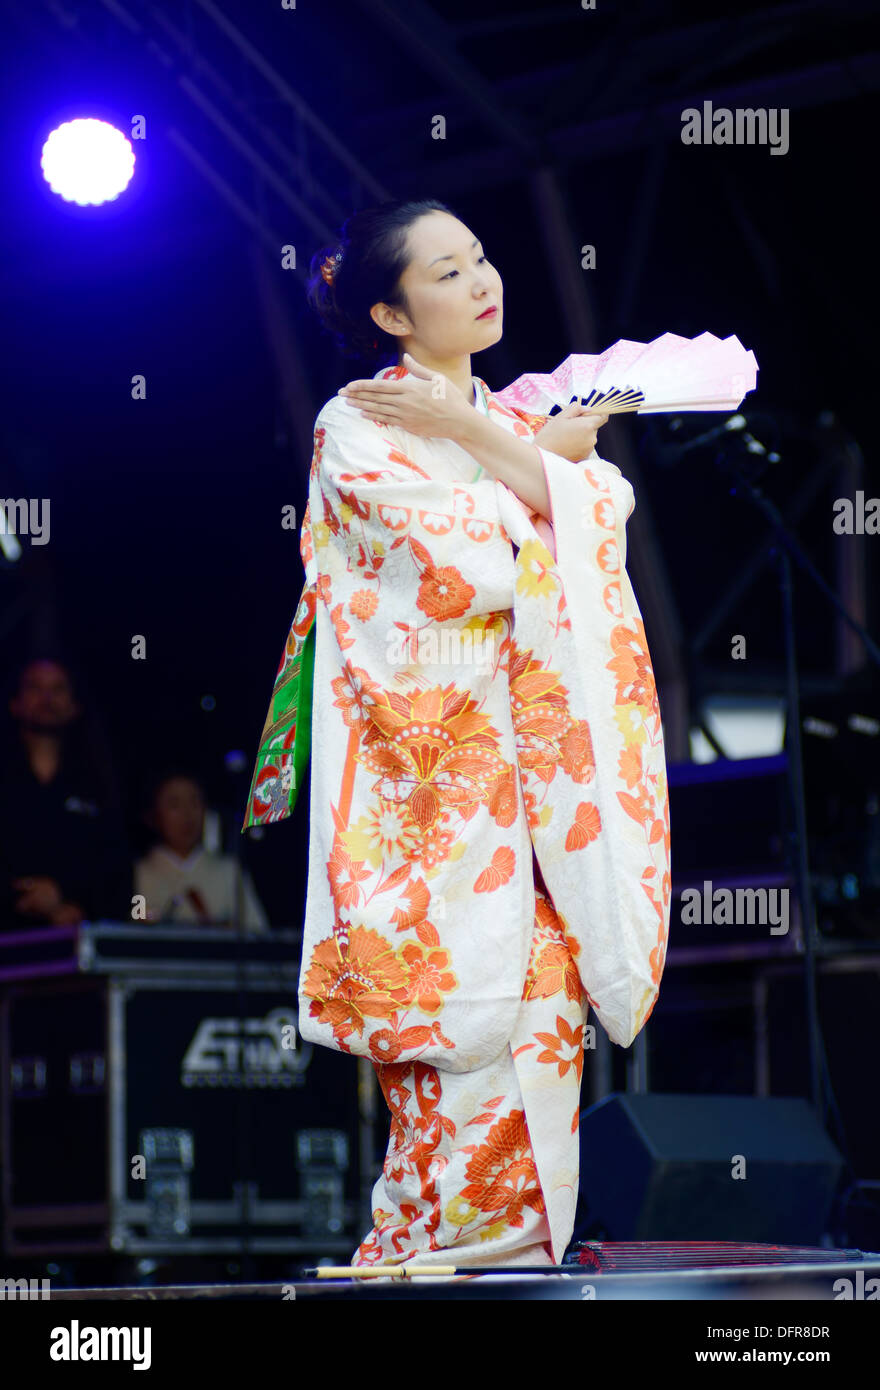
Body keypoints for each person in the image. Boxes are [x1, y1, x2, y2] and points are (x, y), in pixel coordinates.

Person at [242, 199, 671, 1269]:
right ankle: (430, 1255)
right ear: (390, 310)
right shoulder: (357, 426)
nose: (482, 281)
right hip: (424, 776)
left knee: (541, 999)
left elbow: (597, 515)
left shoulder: (507, 409)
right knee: (450, 1010)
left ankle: (513, 1253)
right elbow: (467, 568)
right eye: (446, 272)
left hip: (527, 767)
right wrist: (540, 471)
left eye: (480, 257)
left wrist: (493, 439)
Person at [0, 656, 133, 930]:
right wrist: (23, 897)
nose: (47, 698)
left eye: (58, 689)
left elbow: (116, 867)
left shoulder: (98, 784)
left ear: (74, 706)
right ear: (15, 703)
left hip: (76, 945)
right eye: (35, 688)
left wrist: (69, 902)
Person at [136, 769, 269, 932]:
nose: (187, 814)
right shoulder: (139, 873)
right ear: (154, 815)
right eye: (174, 804)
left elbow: (257, 932)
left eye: (194, 802)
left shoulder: (229, 871)